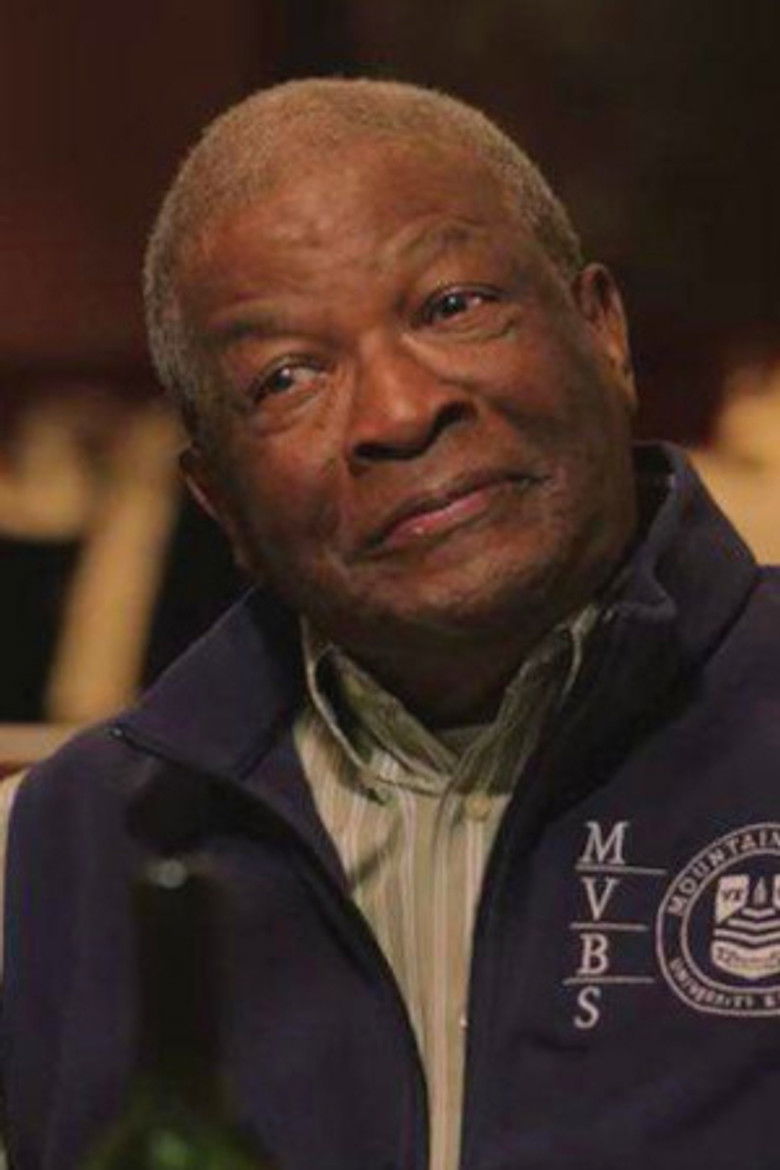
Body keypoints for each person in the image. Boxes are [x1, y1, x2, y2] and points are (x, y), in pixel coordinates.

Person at [2, 77, 779, 1170]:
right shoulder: (70, 846)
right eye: (287, 377)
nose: (401, 412)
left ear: (603, 330)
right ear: (219, 500)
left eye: (453, 306)